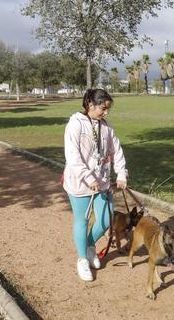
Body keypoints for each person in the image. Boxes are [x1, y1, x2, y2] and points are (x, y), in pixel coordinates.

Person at [62, 88, 128, 281]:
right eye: (103, 108)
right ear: (90, 105)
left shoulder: (107, 128)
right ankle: (82, 259)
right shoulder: (75, 124)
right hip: (80, 183)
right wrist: (88, 178)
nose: (106, 112)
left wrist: (121, 174)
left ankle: (88, 246)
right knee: (82, 221)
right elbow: (73, 156)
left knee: (107, 219)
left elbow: (118, 152)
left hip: (103, 183)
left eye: (108, 109)